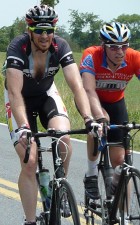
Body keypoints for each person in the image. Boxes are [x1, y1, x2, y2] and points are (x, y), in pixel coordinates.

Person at [2, 4, 99, 225]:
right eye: (39, 30)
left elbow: (77, 87)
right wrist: (25, 127)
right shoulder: (18, 47)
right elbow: (15, 94)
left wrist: (88, 118)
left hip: (46, 94)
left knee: (64, 138)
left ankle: (59, 189)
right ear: (30, 31)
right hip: (19, 100)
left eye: (48, 30)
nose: (44, 35)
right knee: (30, 160)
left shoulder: (61, 46)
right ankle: (30, 221)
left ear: (54, 30)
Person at [81, 22, 140, 199]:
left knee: (120, 162)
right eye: (113, 47)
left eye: (124, 46)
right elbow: (89, 90)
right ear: (103, 46)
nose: (120, 51)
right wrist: (99, 117)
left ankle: (122, 212)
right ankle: (91, 174)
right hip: (92, 100)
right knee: (96, 128)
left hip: (116, 103)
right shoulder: (91, 55)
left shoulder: (135, 58)